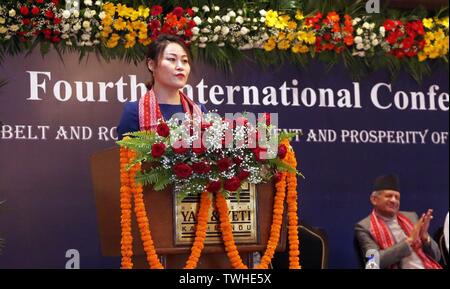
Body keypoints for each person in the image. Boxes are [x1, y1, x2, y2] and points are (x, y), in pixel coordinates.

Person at [117, 34, 206, 140]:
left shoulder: (198, 111)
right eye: (172, 59)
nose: (180, 67)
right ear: (152, 65)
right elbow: (125, 154)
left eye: (184, 61)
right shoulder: (134, 111)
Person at [355, 174, 442, 269]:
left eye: (397, 197)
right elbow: (373, 263)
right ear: (374, 199)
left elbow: (437, 257)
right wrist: (409, 241)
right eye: (389, 196)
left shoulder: (411, 217)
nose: (394, 200)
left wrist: (425, 238)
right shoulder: (364, 227)